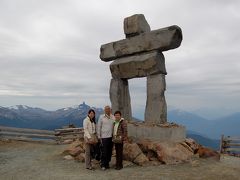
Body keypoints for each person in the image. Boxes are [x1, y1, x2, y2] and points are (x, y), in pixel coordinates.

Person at [97, 105, 115, 170]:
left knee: (109, 151)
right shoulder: (101, 117)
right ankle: (103, 164)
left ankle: (107, 164)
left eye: (109, 109)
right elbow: (99, 127)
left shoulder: (113, 117)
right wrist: (99, 136)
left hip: (111, 137)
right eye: (106, 109)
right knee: (104, 151)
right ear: (104, 110)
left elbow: (115, 124)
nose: (108, 110)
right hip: (104, 137)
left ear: (110, 110)